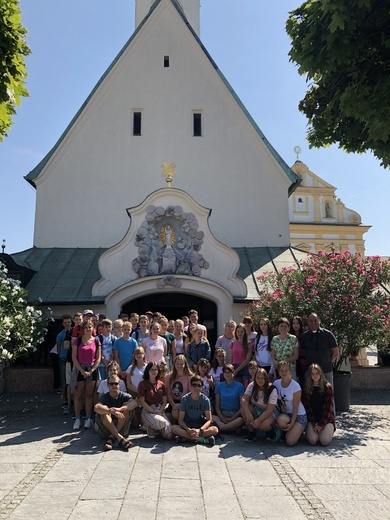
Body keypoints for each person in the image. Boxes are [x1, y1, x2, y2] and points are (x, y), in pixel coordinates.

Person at [94, 374, 138, 451]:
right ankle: (119, 438)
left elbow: (134, 403)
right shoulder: (104, 397)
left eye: (116, 383)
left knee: (127, 407)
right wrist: (110, 410)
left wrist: (120, 409)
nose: (114, 385)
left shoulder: (124, 396)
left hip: (122, 427)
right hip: (106, 429)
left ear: (119, 384)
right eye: (111, 384)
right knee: (104, 410)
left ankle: (111, 438)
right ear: (107, 385)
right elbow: (96, 407)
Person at [171, 375, 219, 445]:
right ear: (190, 386)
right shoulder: (184, 399)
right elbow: (180, 420)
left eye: (199, 385)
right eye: (194, 385)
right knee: (173, 428)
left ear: (202, 387)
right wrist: (188, 430)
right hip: (187, 427)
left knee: (215, 430)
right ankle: (201, 439)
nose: (196, 387)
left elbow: (209, 419)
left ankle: (186, 438)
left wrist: (200, 430)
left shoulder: (205, 400)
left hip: (200, 427)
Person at [71, 320, 101, 430]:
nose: (88, 329)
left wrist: (91, 370)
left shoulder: (96, 341)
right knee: (79, 395)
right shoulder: (77, 341)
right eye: (86, 327)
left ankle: (88, 418)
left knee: (89, 395)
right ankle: (78, 418)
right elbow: (74, 358)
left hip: (91, 370)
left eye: (90, 327)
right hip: (80, 370)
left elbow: (98, 358)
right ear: (83, 329)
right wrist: (82, 371)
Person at [241, 367, 281, 442]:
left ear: (266, 379)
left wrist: (258, 420)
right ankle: (251, 432)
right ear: (255, 378)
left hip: (271, 411)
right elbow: (244, 399)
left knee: (263, 425)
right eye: (258, 378)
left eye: (262, 378)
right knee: (243, 409)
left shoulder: (272, 389)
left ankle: (270, 431)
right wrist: (248, 413)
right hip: (257, 409)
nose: (260, 380)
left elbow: (269, 409)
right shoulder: (252, 385)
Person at [274, 361, 307, 446]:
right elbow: (276, 399)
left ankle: (297, 429)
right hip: (287, 415)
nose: (284, 372)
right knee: (280, 420)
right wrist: (280, 405)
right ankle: (290, 432)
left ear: (289, 371)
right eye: (282, 370)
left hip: (299, 415)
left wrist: (292, 423)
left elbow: (296, 407)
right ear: (279, 371)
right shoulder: (276, 383)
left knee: (290, 442)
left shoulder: (295, 386)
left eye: (286, 370)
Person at [300, 313, 339, 386]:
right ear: (308, 322)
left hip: (326, 370)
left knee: (328, 393)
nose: (313, 323)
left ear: (319, 321)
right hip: (310, 372)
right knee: (310, 393)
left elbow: (335, 352)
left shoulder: (328, 334)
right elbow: (303, 352)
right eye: (311, 321)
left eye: (315, 320)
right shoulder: (304, 336)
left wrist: (328, 362)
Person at [137, 361, 173, 440]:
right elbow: (142, 402)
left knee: (169, 435)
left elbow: (164, 401)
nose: (153, 372)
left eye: (155, 369)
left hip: (159, 410)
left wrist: (160, 410)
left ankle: (155, 428)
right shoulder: (142, 384)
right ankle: (149, 426)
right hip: (148, 410)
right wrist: (153, 411)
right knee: (164, 423)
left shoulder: (161, 384)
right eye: (151, 370)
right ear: (148, 371)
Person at [302, 364, 335, 446]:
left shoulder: (327, 387)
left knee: (324, 441)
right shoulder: (307, 388)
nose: (315, 376)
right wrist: (314, 423)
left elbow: (329, 407)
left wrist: (321, 424)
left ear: (321, 374)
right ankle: (315, 431)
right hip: (313, 419)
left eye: (317, 373)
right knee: (313, 440)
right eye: (312, 374)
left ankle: (327, 430)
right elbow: (307, 407)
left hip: (326, 419)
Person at [213, 364, 244, 432]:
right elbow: (217, 405)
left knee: (240, 420)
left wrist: (232, 419)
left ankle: (221, 429)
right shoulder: (219, 386)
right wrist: (221, 417)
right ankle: (230, 428)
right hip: (222, 414)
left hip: (235, 414)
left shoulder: (240, 386)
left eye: (229, 372)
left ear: (233, 373)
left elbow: (242, 406)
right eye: (225, 372)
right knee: (211, 417)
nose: (227, 374)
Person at [165, 354, 193, 424]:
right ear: (174, 364)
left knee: (179, 415)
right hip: (173, 402)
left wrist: (182, 405)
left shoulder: (189, 377)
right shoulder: (169, 377)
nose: (179, 366)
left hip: (185, 401)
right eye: (177, 363)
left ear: (185, 365)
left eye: (181, 364)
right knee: (168, 418)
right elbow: (168, 393)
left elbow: (190, 393)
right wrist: (174, 405)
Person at [290, 316, 306, 389]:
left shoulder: (305, 336)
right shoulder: (289, 337)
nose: (295, 325)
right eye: (293, 323)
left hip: (303, 363)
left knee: (303, 383)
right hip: (292, 363)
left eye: (297, 323)